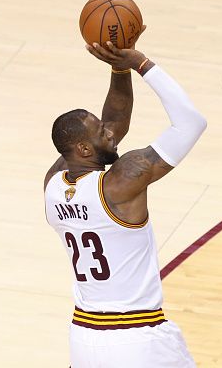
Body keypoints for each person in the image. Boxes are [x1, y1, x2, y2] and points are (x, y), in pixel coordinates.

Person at [44, 35, 206, 368]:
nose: (110, 131)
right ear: (84, 150)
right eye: (99, 130)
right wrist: (141, 65)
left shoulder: (53, 186)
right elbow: (191, 122)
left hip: (85, 340)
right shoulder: (121, 181)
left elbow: (115, 124)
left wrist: (119, 71)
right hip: (138, 338)